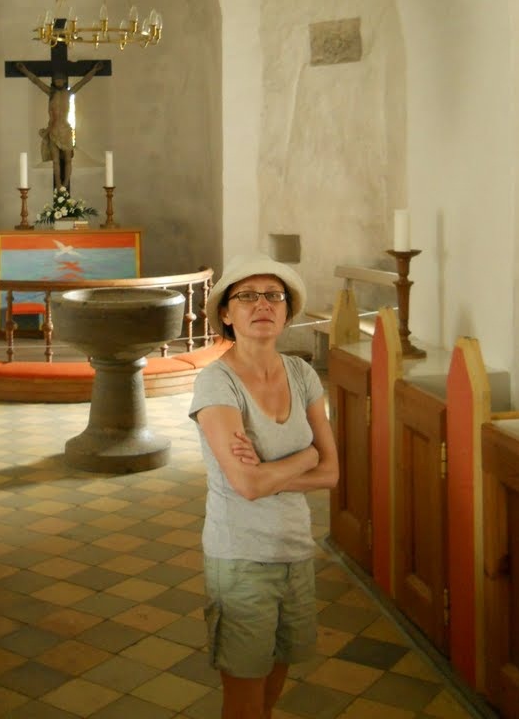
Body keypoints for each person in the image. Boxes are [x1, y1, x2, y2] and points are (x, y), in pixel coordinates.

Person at [189, 253, 339, 719]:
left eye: (274, 296)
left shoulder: (302, 374)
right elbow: (247, 485)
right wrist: (306, 456)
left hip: (294, 549)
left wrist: (278, 470)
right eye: (247, 296)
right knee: (244, 700)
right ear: (226, 314)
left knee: (273, 684)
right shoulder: (216, 383)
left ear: (287, 312)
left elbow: (332, 473)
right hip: (241, 557)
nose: (263, 304)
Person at [15, 61, 102, 190]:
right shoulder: (51, 93)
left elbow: (83, 82)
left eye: (61, 80)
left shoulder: (69, 93)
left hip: (66, 130)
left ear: (65, 81)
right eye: (56, 80)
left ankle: (65, 183)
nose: (59, 82)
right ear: (53, 82)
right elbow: (36, 81)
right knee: (55, 160)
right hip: (53, 130)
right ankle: (58, 183)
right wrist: (25, 71)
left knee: (68, 159)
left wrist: (94, 70)